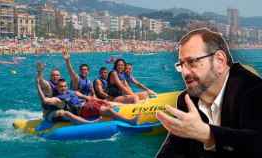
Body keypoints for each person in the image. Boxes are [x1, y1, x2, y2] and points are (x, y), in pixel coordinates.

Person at [156, 28, 262, 157]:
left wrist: (208, 134)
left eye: (192, 62)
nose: (185, 73)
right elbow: (172, 153)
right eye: (181, 65)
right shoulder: (187, 100)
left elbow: (257, 143)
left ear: (220, 61)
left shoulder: (254, 90)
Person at [37, 78, 137, 124]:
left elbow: (88, 98)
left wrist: (102, 101)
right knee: (109, 111)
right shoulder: (58, 98)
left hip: (88, 104)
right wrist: (38, 86)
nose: (63, 88)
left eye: (65, 86)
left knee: (109, 104)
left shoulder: (73, 92)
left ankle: (131, 107)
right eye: (61, 87)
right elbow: (46, 100)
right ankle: (129, 121)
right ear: (57, 88)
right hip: (83, 109)